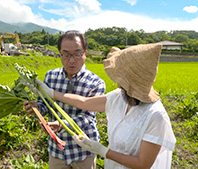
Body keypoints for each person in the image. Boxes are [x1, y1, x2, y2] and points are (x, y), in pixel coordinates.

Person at [32, 43, 176, 169]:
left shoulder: (156, 116)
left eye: (120, 77)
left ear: (130, 82)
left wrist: (104, 151)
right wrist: (50, 92)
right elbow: (84, 102)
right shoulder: (120, 96)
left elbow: (142, 164)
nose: (117, 81)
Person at [23, 30, 106, 169]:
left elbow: (88, 117)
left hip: (84, 150)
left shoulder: (96, 83)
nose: (71, 60)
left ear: (85, 53)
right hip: (57, 151)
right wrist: (36, 108)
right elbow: (44, 104)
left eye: (77, 54)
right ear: (60, 54)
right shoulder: (51, 77)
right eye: (66, 55)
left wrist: (61, 124)